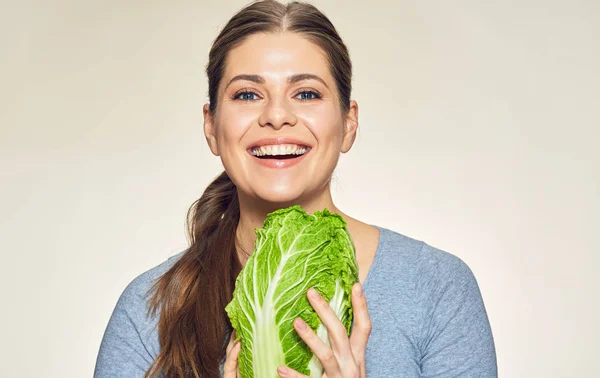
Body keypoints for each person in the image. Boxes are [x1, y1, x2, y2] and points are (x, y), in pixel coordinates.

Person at [94, 1, 497, 377]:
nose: (276, 116)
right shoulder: (150, 309)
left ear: (348, 123)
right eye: (248, 94)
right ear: (211, 127)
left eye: (306, 93)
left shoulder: (437, 289)